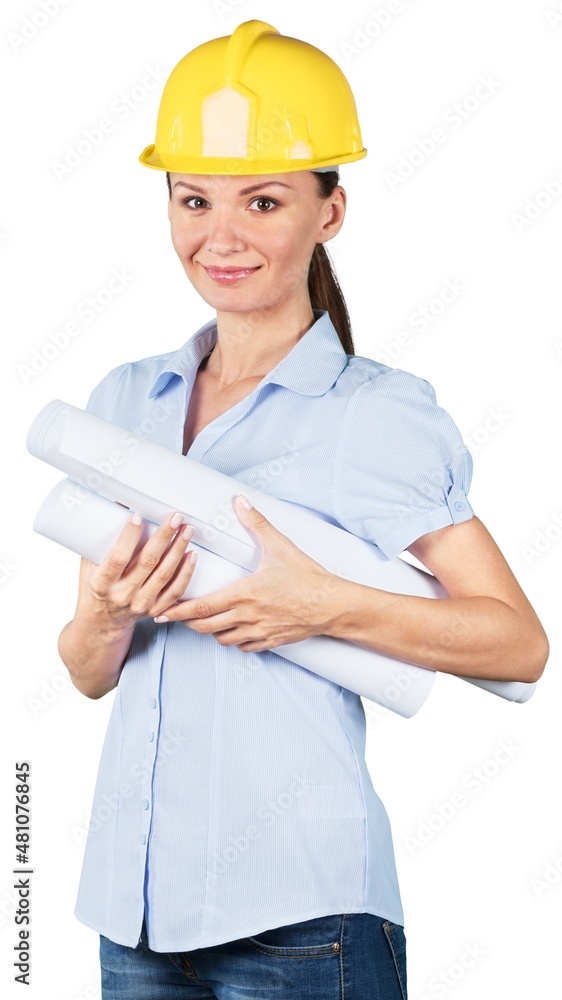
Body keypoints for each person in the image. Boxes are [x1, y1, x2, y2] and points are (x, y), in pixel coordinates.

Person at [57, 20, 549, 1000]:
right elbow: (85, 674)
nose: (221, 236)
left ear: (329, 211)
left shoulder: (376, 413)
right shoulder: (124, 405)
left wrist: (320, 604)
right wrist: (106, 616)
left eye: (264, 200)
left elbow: (517, 645)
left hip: (299, 922)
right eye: (193, 199)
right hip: (133, 913)